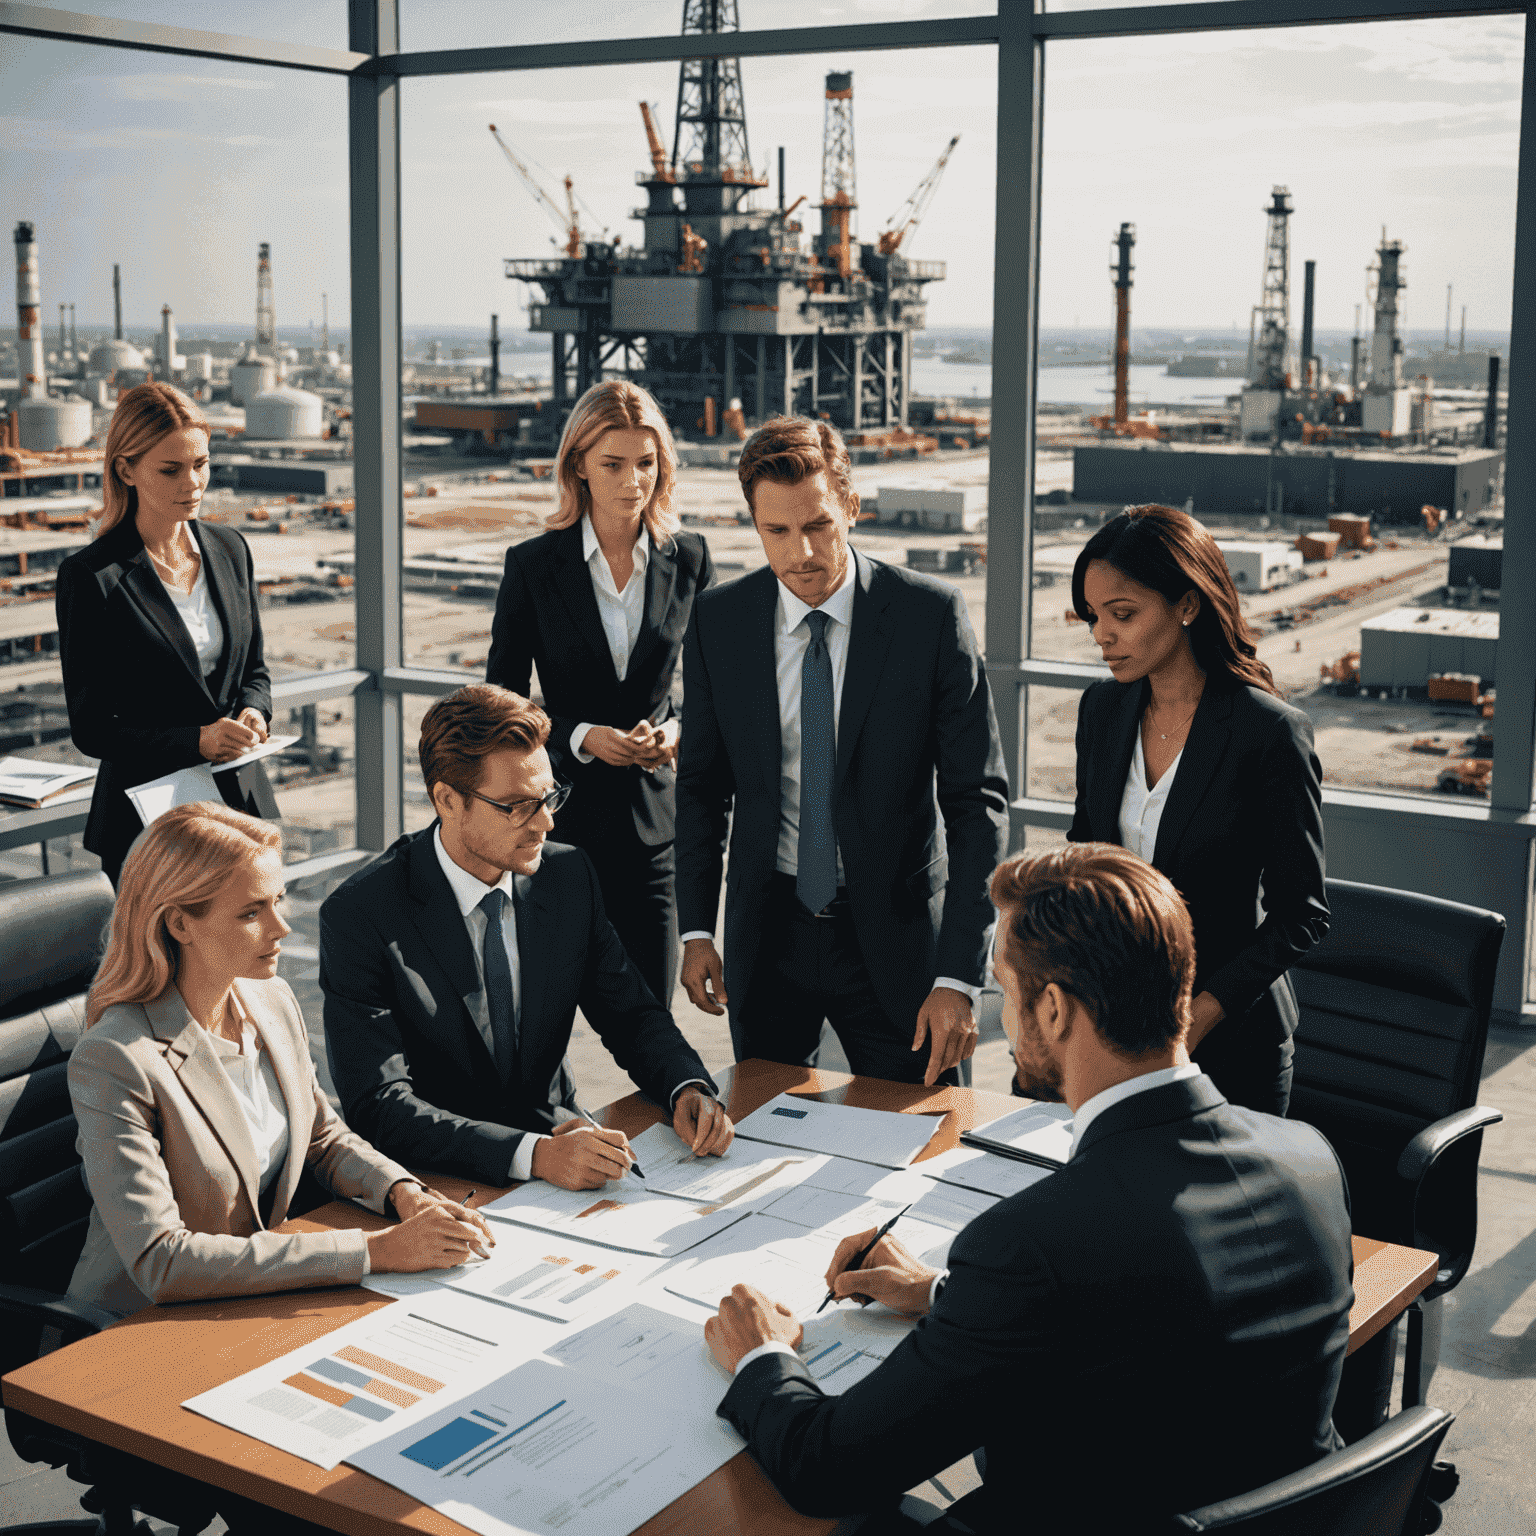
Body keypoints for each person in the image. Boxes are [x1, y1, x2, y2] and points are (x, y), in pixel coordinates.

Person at [706, 843, 1355, 1534]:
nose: (1002, 1024)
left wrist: (763, 1353)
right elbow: (1158, 1319)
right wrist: (937, 1294)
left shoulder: (1031, 1243)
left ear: (1053, 1009)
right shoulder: (1309, 1158)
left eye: (1004, 993)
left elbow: (826, 1467)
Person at [675, 416, 1008, 1088]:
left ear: (852, 509)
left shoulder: (929, 616)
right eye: (778, 532)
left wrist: (958, 976)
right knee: (764, 1135)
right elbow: (702, 788)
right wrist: (695, 930)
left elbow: (979, 802)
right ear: (755, 524)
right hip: (769, 941)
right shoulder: (719, 621)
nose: (801, 552)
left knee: (923, 1146)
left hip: (900, 942)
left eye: (819, 524)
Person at [67, 802, 494, 1321]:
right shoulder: (116, 1059)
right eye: (251, 912)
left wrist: (404, 1194)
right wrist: (374, 1252)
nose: (281, 928)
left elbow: (323, 1139)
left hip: (253, 1297)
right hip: (133, 1327)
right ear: (181, 924)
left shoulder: (270, 1001)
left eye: (279, 901)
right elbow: (162, 1259)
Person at [319, 684, 734, 1190]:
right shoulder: (361, 913)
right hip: (438, 1183)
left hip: (565, 1149)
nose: (545, 821)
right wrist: (533, 1155)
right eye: (517, 806)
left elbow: (630, 1014)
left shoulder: (567, 876)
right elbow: (379, 1106)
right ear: (447, 801)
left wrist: (684, 1086)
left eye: (548, 797)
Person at [1066, 503, 1328, 1115]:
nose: (1103, 634)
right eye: (1094, 617)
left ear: (1186, 605)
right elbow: (1087, 857)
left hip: (1230, 1038)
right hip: (1117, 1026)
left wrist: (1195, 1020)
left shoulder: (1267, 734)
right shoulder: (1102, 712)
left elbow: (1301, 915)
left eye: (1123, 614)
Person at [485, 380, 713, 1005]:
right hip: (558, 829)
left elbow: (714, 687)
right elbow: (503, 699)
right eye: (613, 464)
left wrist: (676, 730)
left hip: (653, 833)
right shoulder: (533, 565)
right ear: (579, 465)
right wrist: (583, 737)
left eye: (647, 463)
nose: (632, 481)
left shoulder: (689, 558)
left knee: (651, 1019)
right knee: (544, 1020)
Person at [55, 382, 279, 888]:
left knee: (246, 964)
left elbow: (257, 672)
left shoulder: (230, 549)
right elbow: (91, 729)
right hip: (147, 826)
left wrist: (254, 712)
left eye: (201, 463)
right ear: (126, 470)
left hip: (238, 809)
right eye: (171, 469)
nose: (193, 482)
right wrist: (197, 741)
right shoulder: (92, 577)